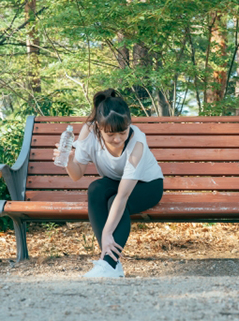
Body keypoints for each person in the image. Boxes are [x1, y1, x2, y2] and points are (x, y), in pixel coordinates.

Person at [53, 89, 164, 278]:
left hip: (148, 185)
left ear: (129, 123)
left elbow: (122, 196)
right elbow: (76, 175)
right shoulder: (89, 132)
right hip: (116, 181)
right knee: (95, 189)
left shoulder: (137, 144)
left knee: (114, 201)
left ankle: (108, 263)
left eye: (123, 132)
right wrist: (69, 162)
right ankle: (111, 264)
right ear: (98, 126)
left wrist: (106, 233)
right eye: (111, 134)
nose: (118, 139)